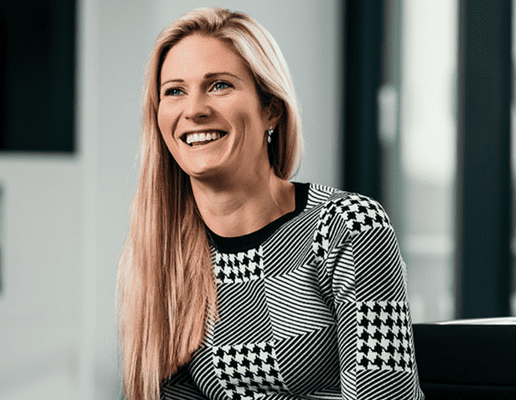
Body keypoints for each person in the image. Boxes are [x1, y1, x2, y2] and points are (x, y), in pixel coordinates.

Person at [117, 7, 424, 400]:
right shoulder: (162, 249)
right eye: (175, 91)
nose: (194, 110)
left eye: (219, 86)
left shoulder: (349, 226)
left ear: (271, 110)